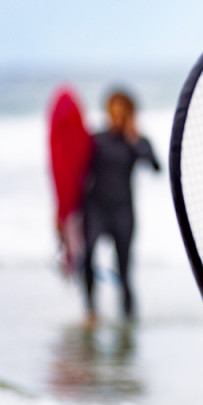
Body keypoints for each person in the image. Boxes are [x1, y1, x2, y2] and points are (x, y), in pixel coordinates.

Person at [81, 88, 160, 324]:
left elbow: (156, 167)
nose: (115, 116)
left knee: (124, 270)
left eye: (121, 112)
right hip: (95, 209)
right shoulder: (96, 139)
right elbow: (75, 169)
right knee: (86, 257)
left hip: (123, 212)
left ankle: (128, 320)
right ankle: (91, 310)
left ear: (130, 114)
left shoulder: (136, 142)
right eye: (112, 111)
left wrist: (134, 139)